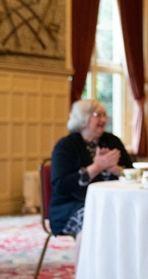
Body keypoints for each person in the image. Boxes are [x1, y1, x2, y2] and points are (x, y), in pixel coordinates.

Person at [50, 99, 133, 237]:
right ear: (83, 117)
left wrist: (116, 170)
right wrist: (97, 167)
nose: (103, 119)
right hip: (71, 205)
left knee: (133, 215)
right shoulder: (65, 146)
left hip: (111, 202)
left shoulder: (113, 141)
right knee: (95, 220)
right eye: (98, 115)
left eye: (105, 115)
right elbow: (60, 185)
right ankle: (88, 259)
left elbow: (132, 173)